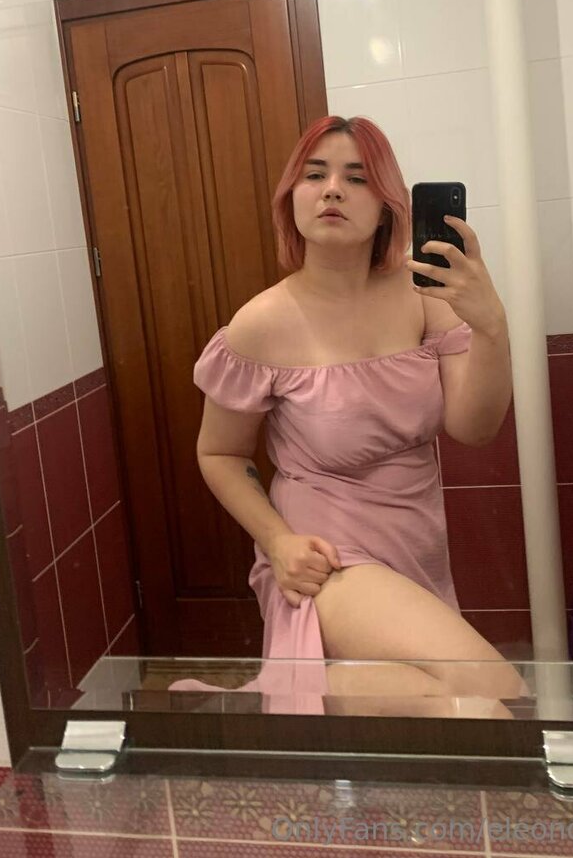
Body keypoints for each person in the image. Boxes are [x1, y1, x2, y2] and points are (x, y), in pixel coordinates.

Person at [177, 115, 523, 717]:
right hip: (325, 555)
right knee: (498, 696)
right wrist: (278, 543)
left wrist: (491, 324)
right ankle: (293, 697)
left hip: (415, 542)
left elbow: (475, 428)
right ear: (292, 198)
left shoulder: (423, 296)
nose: (332, 189)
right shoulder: (261, 323)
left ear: (387, 205)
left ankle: (289, 700)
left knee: (448, 710)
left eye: (357, 178)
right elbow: (220, 453)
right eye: (315, 175)